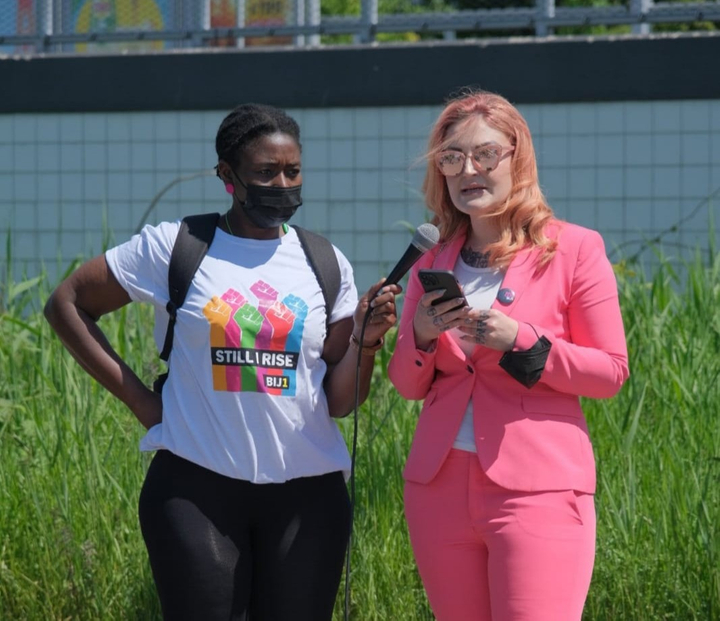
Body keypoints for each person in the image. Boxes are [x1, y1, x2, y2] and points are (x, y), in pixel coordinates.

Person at [44, 103, 400, 621]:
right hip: (196, 490)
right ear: (227, 176)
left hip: (308, 499)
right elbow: (67, 304)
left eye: (292, 171)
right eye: (264, 172)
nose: (282, 183)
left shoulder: (325, 262)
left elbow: (340, 402)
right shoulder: (178, 246)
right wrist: (144, 403)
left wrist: (367, 344)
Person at [387, 90, 629, 621]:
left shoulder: (573, 249)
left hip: (538, 489)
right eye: (452, 159)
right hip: (439, 488)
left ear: (518, 158)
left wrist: (521, 339)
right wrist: (422, 336)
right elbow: (406, 384)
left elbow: (611, 373)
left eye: (486, 154)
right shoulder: (431, 258)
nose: (468, 170)